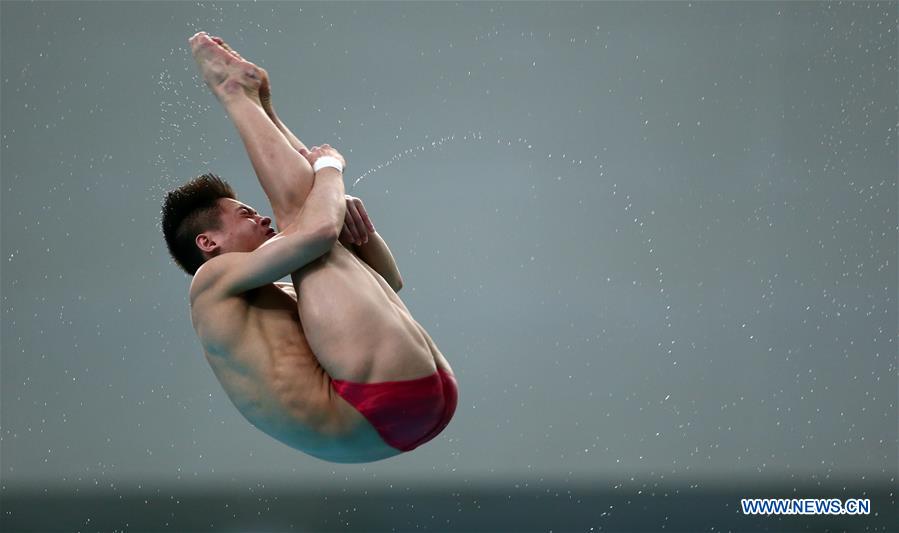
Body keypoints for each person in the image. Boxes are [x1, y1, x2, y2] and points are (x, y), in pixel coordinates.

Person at [160, 32, 457, 463]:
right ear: (208, 242)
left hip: (406, 406)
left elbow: (389, 281)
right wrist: (330, 169)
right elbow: (315, 231)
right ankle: (234, 94)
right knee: (307, 220)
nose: (260, 217)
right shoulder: (209, 282)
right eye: (245, 214)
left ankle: (256, 105)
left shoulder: (281, 294)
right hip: (374, 407)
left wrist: (347, 215)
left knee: (313, 220)